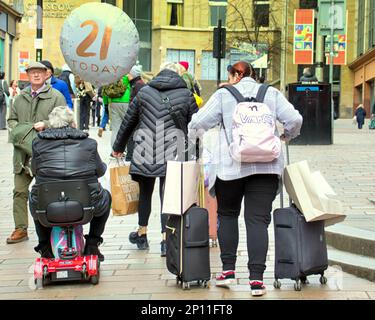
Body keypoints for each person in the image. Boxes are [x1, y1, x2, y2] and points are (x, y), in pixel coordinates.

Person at [188, 61, 302, 296]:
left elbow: (198, 123)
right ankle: (257, 280)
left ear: (234, 76)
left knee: (227, 215)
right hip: (267, 167)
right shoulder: (271, 93)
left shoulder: (223, 94)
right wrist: (285, 136)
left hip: (231, 168)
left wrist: (196, 141)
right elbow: (295, 120)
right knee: (257, 221)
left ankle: (228, 271)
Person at [112, 62, 198, 256]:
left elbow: (128, 121)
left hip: (145, 148)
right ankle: (166, 239)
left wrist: (118, 147)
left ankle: (142, 233)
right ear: (178, 75)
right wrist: (197, 152)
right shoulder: (186, 94)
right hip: (174, 149)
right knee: (168, 195)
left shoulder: (144, 92)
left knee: (145, 193)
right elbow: (195, 126)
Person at [29, 106, 111, 260]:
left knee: (34, 196)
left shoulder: (37, 143)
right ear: (73, 122)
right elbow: (100, 171)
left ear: (51, 124)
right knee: (106, 196)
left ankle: (45, 246)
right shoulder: (89, 143)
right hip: (85, 203)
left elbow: (35, 170)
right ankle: (92, 244)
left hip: (49, 204)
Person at [6, 61, 66, 244]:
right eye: (32, 72)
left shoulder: (56, 96)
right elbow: (12, 120)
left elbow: (64, 119)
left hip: (47, 154)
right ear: (28, 75)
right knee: (19, 191)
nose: (36, 75)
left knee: (50, 192)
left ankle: (54, 226)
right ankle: (20, 228)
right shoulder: (19, 97)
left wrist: (46, 125)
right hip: (22, 154)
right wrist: (25, 133)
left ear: (47, 74)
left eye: (40, 72)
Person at [103, 75, 131, 149]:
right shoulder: (126, 74)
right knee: (127, 127)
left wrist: (106, 104)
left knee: (115, 129)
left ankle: (114, 151)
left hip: (113, 102)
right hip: (126, 101)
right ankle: (126, 150)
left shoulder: (109, 75)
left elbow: (105, 90)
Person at [126, 64, 146, 161]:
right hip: (136, 116)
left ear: (133, 74)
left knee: (132, 137)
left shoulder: (138, 85)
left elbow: (139, 102)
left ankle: (130, 158)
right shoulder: (136, 83)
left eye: (129, 74)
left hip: (137, 117)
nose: (127, 76)